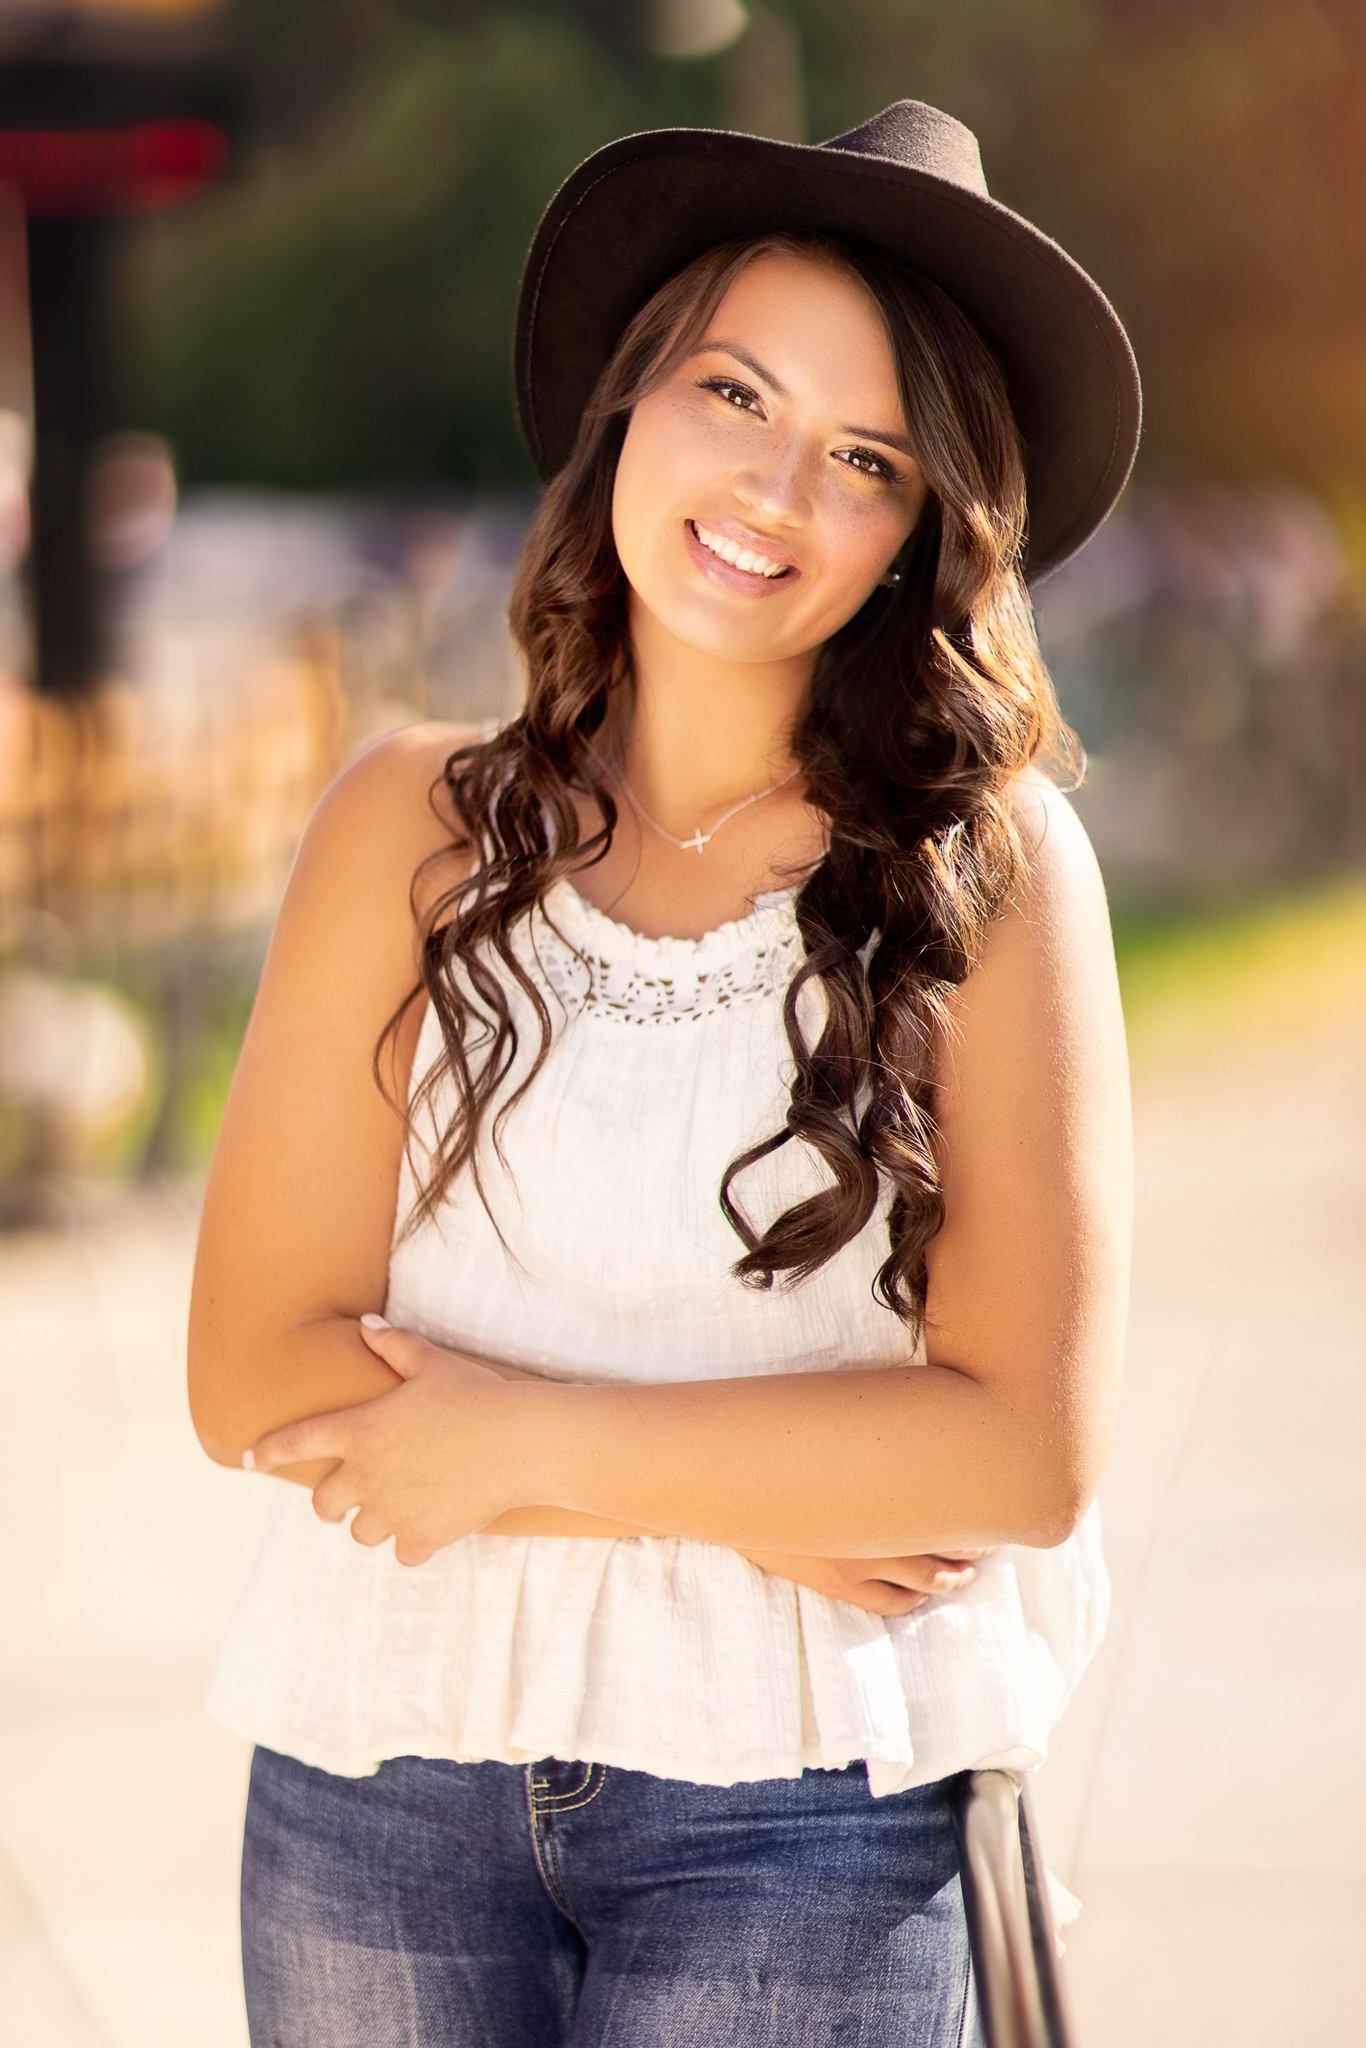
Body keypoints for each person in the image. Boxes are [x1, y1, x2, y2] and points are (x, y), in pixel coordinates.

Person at [189, 99, 1137, 2048]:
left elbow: (1017, 1455)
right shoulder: (404, 826)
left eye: (863, 458)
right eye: (732, 391)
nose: (775, 490)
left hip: (808, 1807)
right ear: (628, 406)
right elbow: (251, 1368)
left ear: (912, 536)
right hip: (382, 1778)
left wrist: (514, 1444)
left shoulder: (989, 870)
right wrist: (756, 1492)